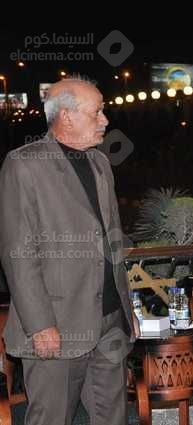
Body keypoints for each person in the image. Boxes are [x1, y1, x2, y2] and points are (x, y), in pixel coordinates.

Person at [0, 76, 138, 425]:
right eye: (97, 112)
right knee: (52, 418)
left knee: (113, 418)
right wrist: (40, 325)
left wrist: (126, 308)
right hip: (58, 324)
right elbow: (18, 253)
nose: (105, 119)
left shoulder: (100, 163)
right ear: (67, 116)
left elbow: (111, 240)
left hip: (110, 322)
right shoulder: (24, 164)